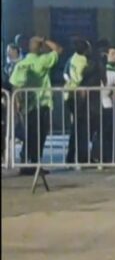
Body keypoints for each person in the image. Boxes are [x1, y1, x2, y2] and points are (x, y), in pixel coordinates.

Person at [9, 36, 63, 174]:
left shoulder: (21, 64)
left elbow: (14, 85)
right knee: (39, 136)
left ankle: (26, 165)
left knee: (29, 136)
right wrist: (45, 40)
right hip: (42, 103)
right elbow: (58, 49)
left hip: (26, 105)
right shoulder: (43, 60)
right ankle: (34, 164)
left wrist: (16, 105)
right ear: (40, 48)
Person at [63, 38, 93, 164]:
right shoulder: (83, 61)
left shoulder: (71, 59)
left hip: (68, 95)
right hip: (78, 96)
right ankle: (82, 157)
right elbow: (79, 78)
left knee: (76, 128)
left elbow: (65, 74)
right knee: (81, 129)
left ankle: (71, 156)